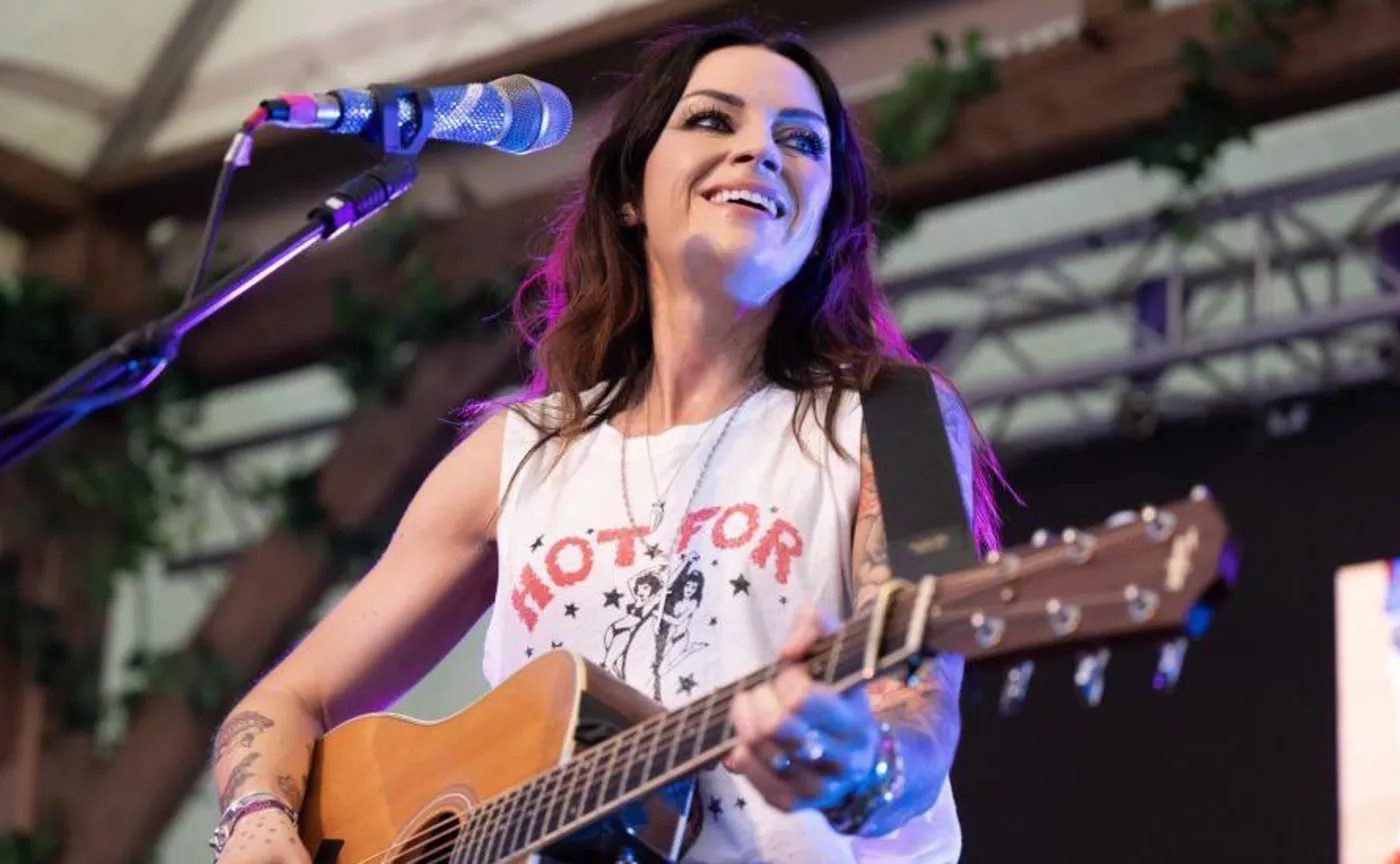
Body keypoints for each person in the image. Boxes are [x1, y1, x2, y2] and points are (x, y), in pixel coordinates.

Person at [208, 21, 1005, 864]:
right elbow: (285, 704)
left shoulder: (892, 417)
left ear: (825, 218)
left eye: (801, 141)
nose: (760, 152)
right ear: (630, 194)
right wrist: (257, 821)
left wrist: (860, 765)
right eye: (712, 120)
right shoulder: (516, 455)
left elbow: (920, 717)